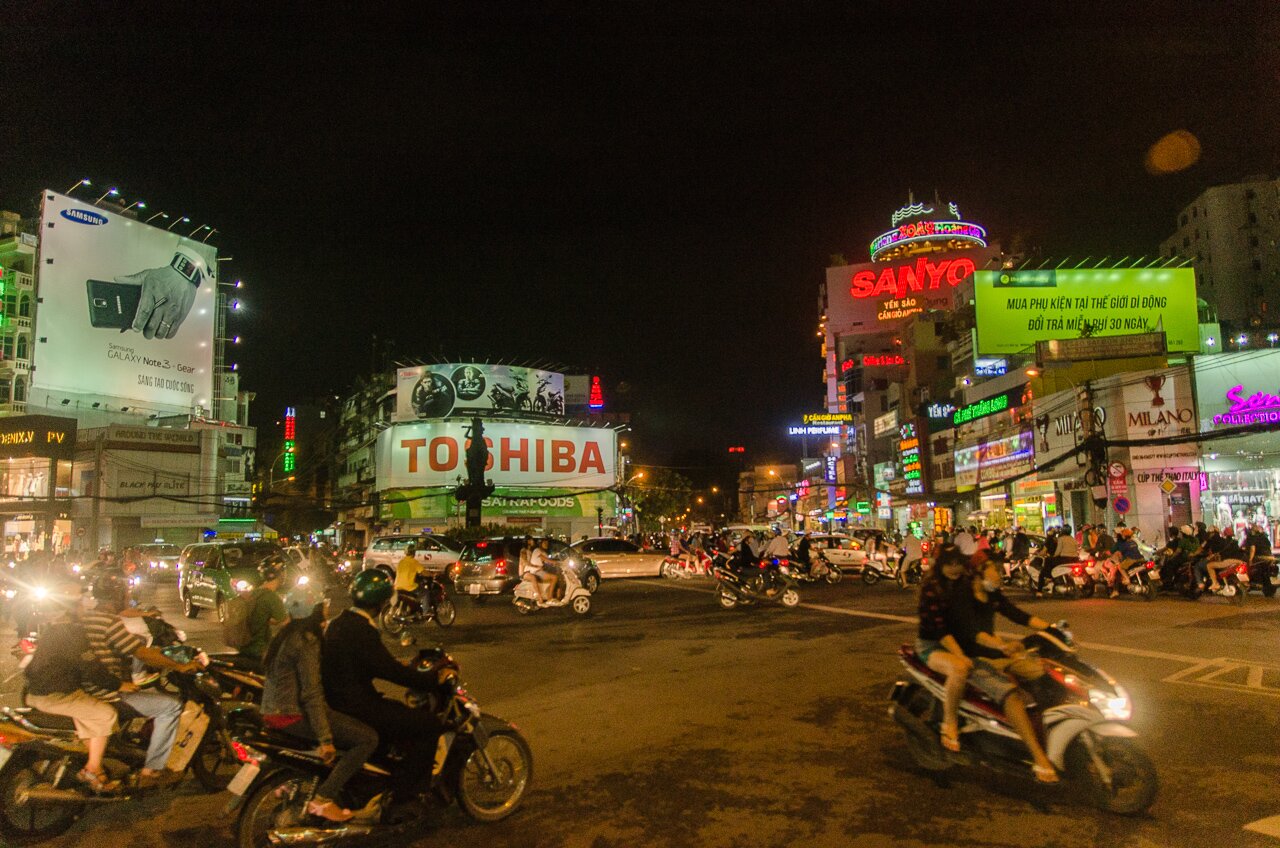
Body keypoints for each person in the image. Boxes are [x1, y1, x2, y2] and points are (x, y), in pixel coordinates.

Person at [262, 584, 379, 822]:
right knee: (367, 739)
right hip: (291, 714)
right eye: (323, 605)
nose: (327, 609)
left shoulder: (285, 635)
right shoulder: (307, 640)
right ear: (314, 611)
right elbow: (311, 693)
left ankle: (296, 783)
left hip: (272, 711)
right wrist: (325, 739)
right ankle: (324, 799)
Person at [322, 571, 444, 796]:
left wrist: (401, 665)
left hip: (338, 701)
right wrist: (429, 680)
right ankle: (407, 793)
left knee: (398, 715)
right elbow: (387, 669)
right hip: (357, 706)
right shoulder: (362, 630)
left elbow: (373, 662)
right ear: (381, 603)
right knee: (428, 724)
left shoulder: (339, 623)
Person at [83, 572, 200, 788]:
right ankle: (152, 769)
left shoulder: (86, 617)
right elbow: (141, 652)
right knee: (171, 707)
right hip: (105, 691)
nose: (128, 598)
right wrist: (179, 665)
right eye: (125, 595)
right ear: (117, 597)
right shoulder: (109, 622)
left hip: (87, 686)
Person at [24, 581, 130, 793]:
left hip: (35, 694)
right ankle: (92, 769)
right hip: (56, 695)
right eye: (80, 606)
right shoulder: (72, 633)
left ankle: (96, 767)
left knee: (88, 711)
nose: (84, 609)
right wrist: (120, 684)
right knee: (106, 715)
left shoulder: (52, 631)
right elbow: (92, 669)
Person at [965, 552, 1058, 782]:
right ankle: (1039, 758)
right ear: (978, 571)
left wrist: (1051, 629)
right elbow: (974, 635)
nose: (999, 574)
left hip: (999, 653)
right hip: (974, 658)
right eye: (994, 569)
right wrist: (1003, 646)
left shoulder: (992, 594)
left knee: (1046, 672)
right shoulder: (963, 599)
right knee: (1011, 696)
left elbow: (1018, 615)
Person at [915, 544, 973, 755]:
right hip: (932, 646)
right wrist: (960, 654)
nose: (955, 568)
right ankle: (950, 724)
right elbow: (939, 630)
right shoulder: (931, 588)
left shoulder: (963, 584)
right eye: (949, 564)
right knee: (959, 669)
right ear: (940, 566)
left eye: (958, 564)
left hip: (958, 642)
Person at [241, 561, 289, 664]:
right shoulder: (271, 596)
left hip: (245, 647)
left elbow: (261, 616)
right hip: (260, 650)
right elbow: (286, 623)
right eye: (284, 571)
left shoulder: (255, 592)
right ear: (280, 574)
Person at [1103, 527, 1142, 598]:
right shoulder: (1133, 542)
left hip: (1130, 559)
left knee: (1118, 568)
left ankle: (1117, 588)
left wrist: (1104, 553)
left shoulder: (1120, 544)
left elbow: (1114, 553)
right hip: (1140, 558)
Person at [517, 538, 547, 603]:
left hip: (530, 571)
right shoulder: (523, 550)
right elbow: (525, 562)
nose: (533, 541)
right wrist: (536, 566)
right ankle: (539, 597)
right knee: (533, 578)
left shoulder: (530, 551)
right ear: (527, 541)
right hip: (524, 572)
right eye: (531, 540)